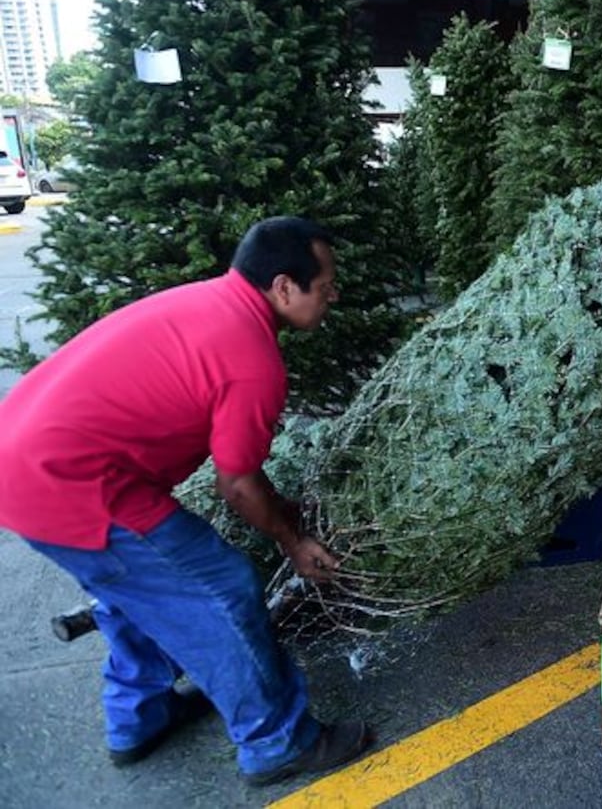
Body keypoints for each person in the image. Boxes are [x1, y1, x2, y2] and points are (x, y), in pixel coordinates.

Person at [0, 216, 373, 785]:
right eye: (326, 286)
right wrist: (294, 543)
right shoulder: (251, 361)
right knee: (219, 590)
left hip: (22, 465)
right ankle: (277, 742)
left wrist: (282, 510)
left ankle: (139, 718)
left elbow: (242, 469)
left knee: (139, 589)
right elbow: (237, 485)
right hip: (78, 485)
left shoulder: (210, 303)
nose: (333, 296)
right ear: (283, 287)